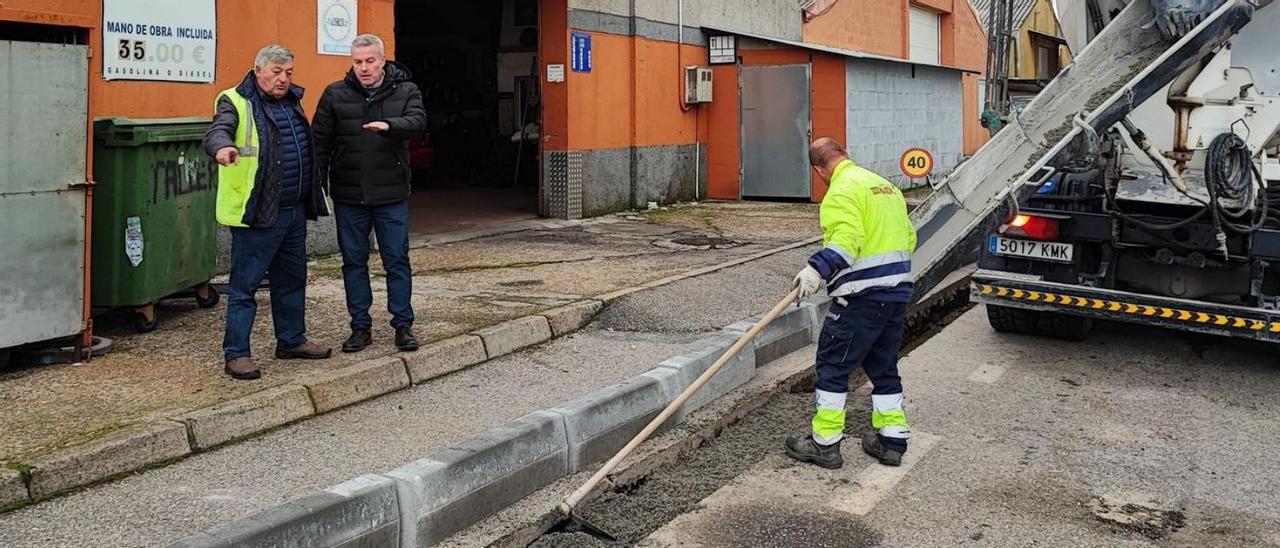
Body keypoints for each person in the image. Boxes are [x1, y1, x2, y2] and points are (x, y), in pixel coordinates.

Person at [784, 138, 917, 468]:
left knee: (832, 367)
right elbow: (910, 238)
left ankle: (825, 444)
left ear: (819, 170)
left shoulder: (840, 191)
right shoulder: (883, 185)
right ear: (846, 154)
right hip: (896, 294)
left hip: (860, 300)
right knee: (884, 368)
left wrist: (816, 270)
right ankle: (892, 441)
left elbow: (847, 241)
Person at [204, 44, 332, 381]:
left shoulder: (291, 101)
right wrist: (222, 147)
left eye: (288, 72)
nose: (283, 78)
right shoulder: (235, 100)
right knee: (245, 287)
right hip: (257, 212)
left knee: (291, 281)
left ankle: (291, 341)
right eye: (276, 72)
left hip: (292, 211)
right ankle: (237, 354)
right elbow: (218, 130)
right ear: (258, 69)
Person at [313, 34, 427, 354]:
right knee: (353, 262)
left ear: (382, 59)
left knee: (396, 260)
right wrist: (317, 187)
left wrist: (390, 126)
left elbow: (418, 121)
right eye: (357, 62)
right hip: (350, 196)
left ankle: (402, 325)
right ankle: (360, 326)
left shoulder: (406, 90)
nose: (363, 68)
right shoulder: (335, 94)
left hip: (391, 194)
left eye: (369, 61)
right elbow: (319, 142)